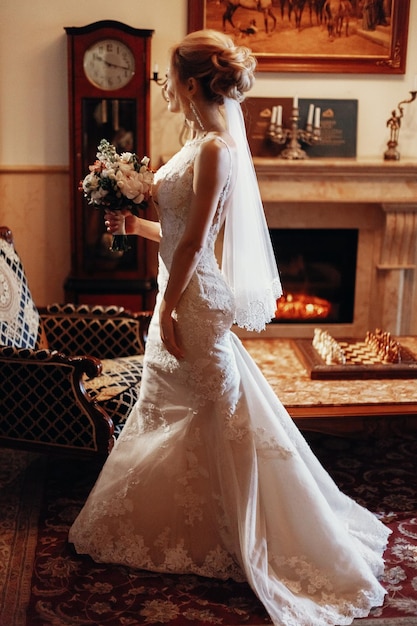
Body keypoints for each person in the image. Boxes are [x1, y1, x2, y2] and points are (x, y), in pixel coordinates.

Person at [69, 29, 390, 626]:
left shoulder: (216, 148)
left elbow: (196, 241)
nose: (163, 86)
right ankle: (187, 527)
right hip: (178, 287)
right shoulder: (196, 145)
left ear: (191, 83)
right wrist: (133, 226)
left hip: (192, 298)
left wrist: (166, 308)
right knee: (182, 408)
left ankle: (252, 531)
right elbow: (177, 232)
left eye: (168, 76)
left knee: (219, 411)